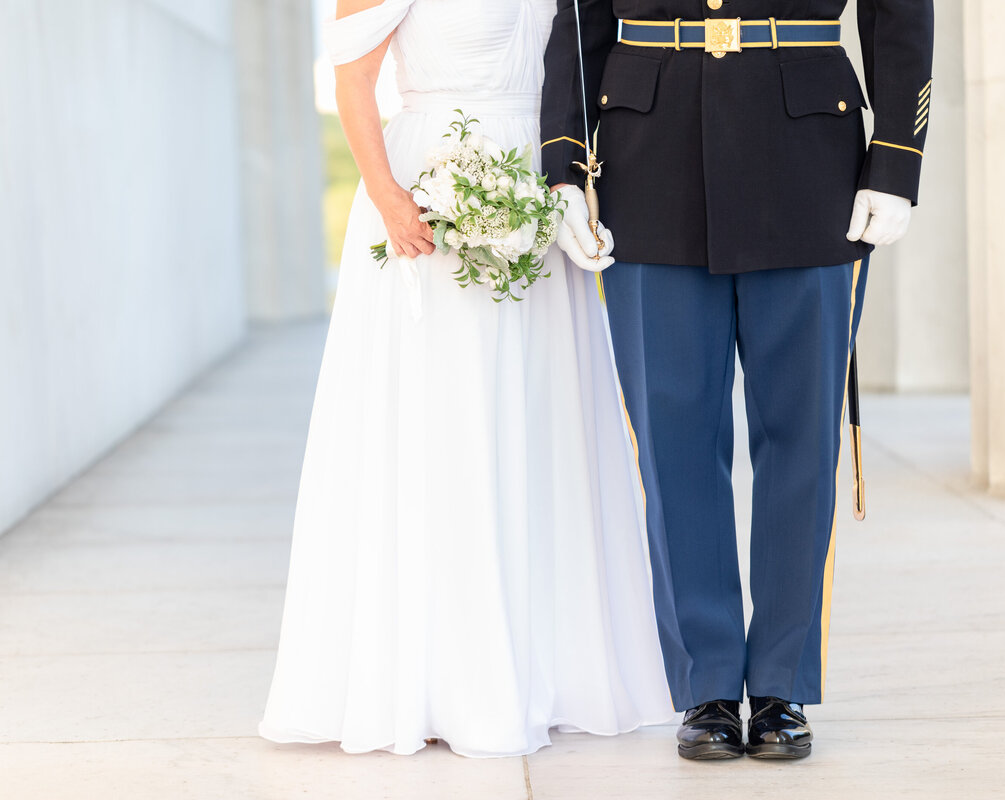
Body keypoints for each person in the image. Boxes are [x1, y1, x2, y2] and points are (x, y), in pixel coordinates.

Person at [258, 0, 674, 758]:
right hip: (431, 195)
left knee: (543, 428)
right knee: (446, 428)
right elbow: (354, 81)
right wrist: (388, 197)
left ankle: (557, 667)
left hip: (543, 191)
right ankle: (445, 678)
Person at [541, 0, 934, 760]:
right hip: (650, 163)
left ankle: (783, 682)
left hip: (809, 159)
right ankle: (707, 682)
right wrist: (562, 160)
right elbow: (578, 18)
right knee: (674, 439)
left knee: (801, 439)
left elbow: (899, 11)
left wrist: (896, 157)